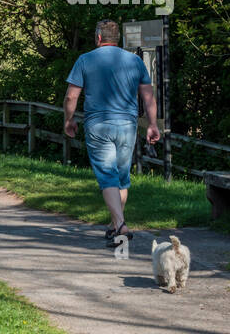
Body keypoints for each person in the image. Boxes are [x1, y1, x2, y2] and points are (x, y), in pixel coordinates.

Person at [62, 20, 160, 244]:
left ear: (98, 37)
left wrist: (69, 119)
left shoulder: (85, 60)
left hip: (98, 124)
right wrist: (153, 124)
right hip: (127, 125)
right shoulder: (135, 61)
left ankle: (120, 225)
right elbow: (148, 97)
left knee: (108, 176)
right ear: (119, 40)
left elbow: (71, 96)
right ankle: (116, 225)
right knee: (121, 177)